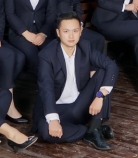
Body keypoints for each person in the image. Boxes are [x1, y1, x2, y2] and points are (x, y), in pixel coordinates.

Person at [34, 13, 120, 150]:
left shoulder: (86, 47)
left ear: (81, 31)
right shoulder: (46, 54)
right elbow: (46, 88)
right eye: (66, 31)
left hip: (80, 106)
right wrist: (54, 120)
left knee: (103, 71)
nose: (71, 36)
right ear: (58, 33)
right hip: (57, 109)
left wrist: (100, 95)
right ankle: (93, 130)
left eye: (75, 31)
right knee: (46, 132)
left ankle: (94, 127)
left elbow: (111, 66)